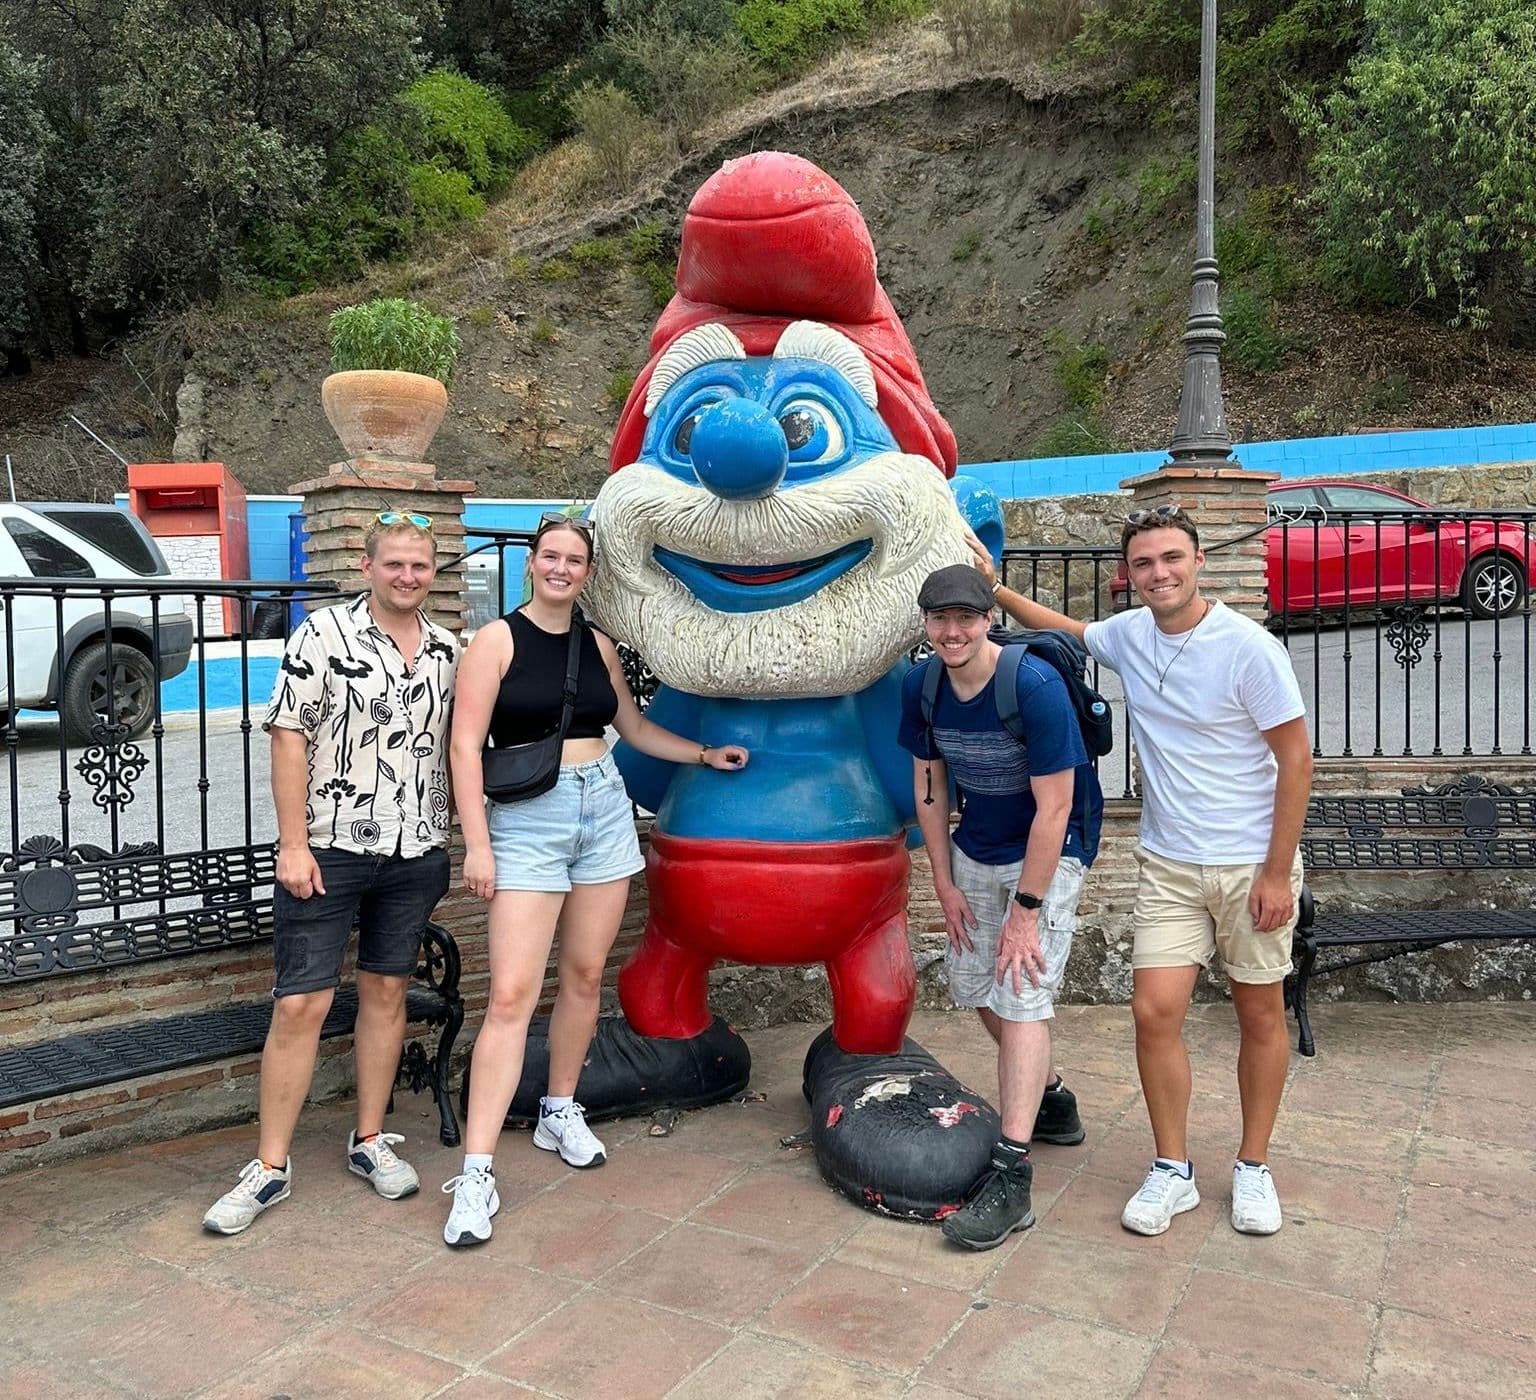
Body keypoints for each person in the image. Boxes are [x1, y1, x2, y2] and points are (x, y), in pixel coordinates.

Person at [972, 504, 1312, 1237]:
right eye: (1145, 563)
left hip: (1249, 863)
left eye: (1172, 558)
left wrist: (1276, 873)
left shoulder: (1248, 648)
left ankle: (1253, 1166)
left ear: (1199, 561)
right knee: (1154, 1012)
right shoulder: (1130, 634)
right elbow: (1067, 629)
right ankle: (1172, 1168)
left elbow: (1296, 760)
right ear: (1130, 574)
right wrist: (991, 589)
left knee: (1259, 1013)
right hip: (1169, 864)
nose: (1160, 573)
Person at [442, 513, 748, 1249]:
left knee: (584, 976)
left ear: (587, 572)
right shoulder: (496, 641)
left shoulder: (597, 644)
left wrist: (704, 755)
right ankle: (477, 1171)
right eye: (550, 555)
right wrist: (477, 845)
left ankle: (559, 1108)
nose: (560, 568)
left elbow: (632, 730)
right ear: (531, 563)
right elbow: (464, 745)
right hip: (529, 820)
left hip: (604, 809)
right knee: (511, 996)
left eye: (574, 560)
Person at [203, 511, 459, 1235]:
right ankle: (270, 1167)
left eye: (419, 565)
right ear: (367, 567)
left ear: (432, 572)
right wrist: (293, 843)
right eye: (393, 564)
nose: (407, 576)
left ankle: (369, 1139)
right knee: (301, 1003)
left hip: (416, 851)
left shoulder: (449, 649)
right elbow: (288, 737)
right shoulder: (322, 634)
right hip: (330, 848)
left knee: (386, 991)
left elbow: (464, 745)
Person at [898, 564, 1103, 1250]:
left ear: (988, 619)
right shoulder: (923, 686)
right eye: (940, 619)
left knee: (1020, 991)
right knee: (975, 986)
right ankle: (1052, 1097)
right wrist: (944, 881)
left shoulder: (1032, 686)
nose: (952, 631)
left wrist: (1026, 912)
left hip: (1050, 849)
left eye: (965, 618)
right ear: (926, 624)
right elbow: (929, 787)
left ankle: (1012, 1177)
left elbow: (1057, 807)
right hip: (977, 844)